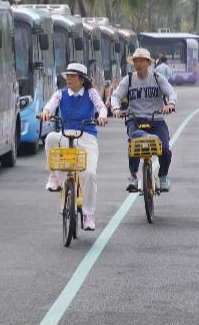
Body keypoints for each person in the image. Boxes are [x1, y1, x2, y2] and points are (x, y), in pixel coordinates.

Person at [39, 63, 107, 231]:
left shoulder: (91, 93)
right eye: (67, 76)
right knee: (50, 138)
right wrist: (46, 112)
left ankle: (88, 214)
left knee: (89, 174)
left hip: (87, 137)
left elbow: (101, 107)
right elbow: (50, 105)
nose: (68, 79)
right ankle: (54, 175)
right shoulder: (60, 94)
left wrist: (102, 116)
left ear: (82, 79)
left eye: (72, 76)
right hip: (66, 134)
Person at [110, 46, 176, 192]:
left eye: (141, 61)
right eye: (136, 61)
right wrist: (115, 109)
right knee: (134, 144)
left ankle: (163, 176)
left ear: (148, 63)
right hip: (135, 119)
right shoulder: (129, 79)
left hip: (156, 119)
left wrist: (170, 104)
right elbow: (115, 96)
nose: (138, 64)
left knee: (165, 149)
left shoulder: (157, 78)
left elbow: (171, 92)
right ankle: (133, 177)